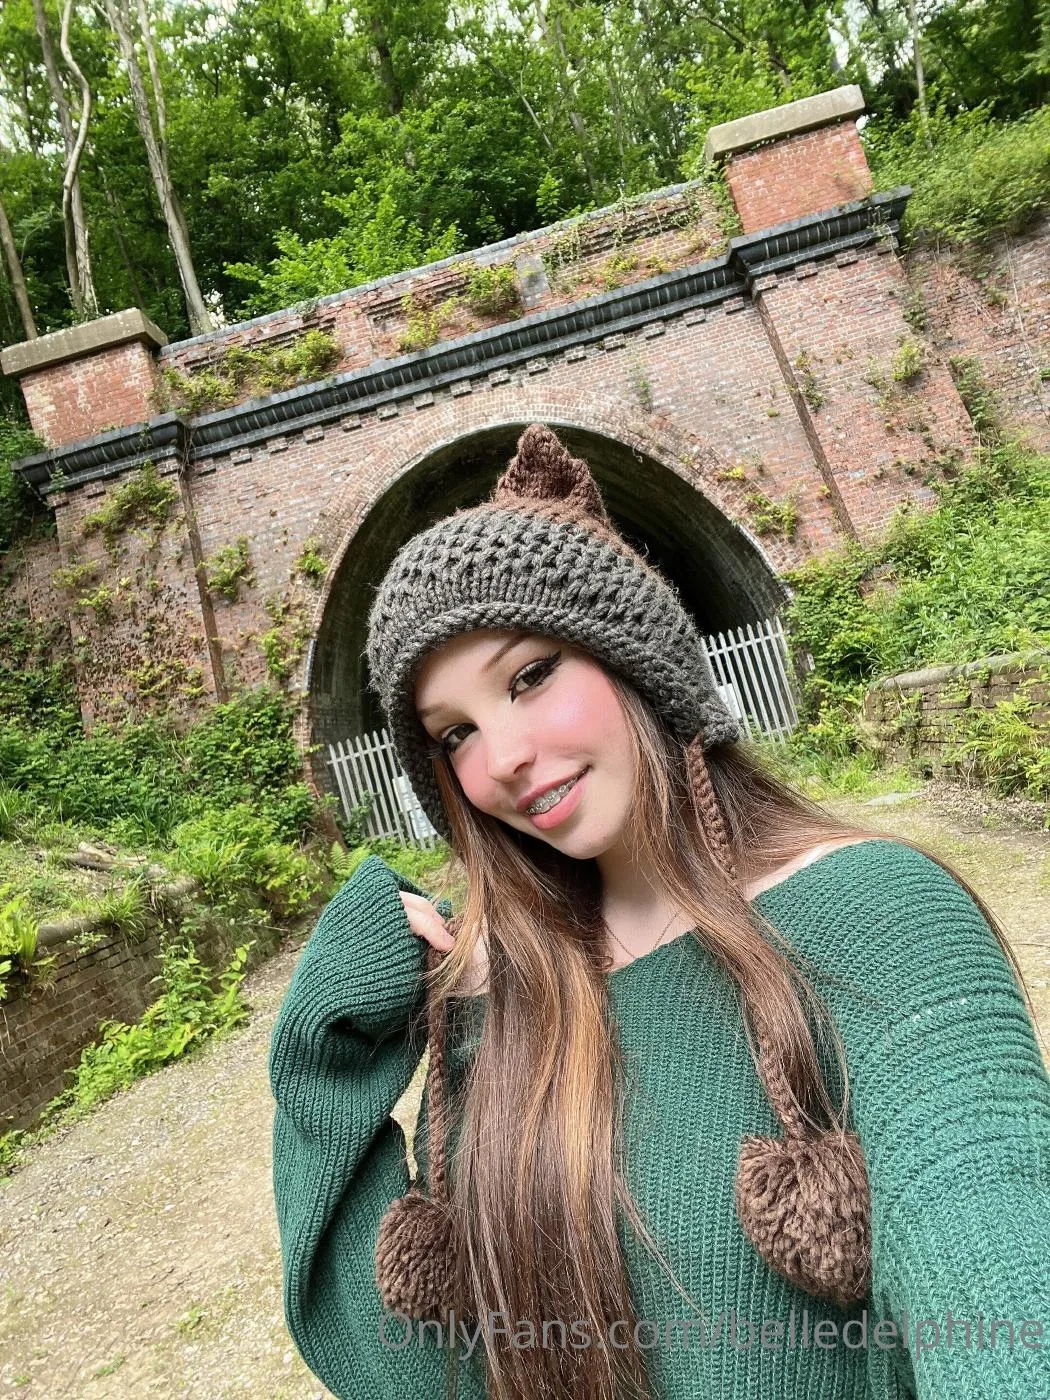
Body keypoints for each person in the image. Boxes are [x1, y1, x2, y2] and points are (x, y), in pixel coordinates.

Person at [269, 424, 1050, 1400]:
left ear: (637, 658)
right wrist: (327, 1040)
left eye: (532, 675)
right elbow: (425, 1368)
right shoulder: (498, 1007)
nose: (503, 757)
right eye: (456, 732)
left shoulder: (879, 916)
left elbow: (991, 1251)